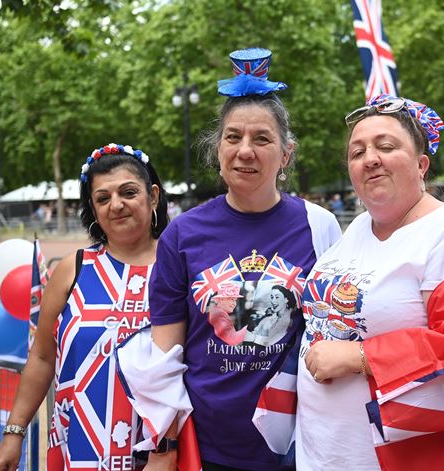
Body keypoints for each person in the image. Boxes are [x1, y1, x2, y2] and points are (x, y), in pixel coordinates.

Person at [117, 48, 341, 470]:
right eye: (233, 137)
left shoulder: (320, 225)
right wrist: (164, 447)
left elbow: (336, 333)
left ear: (285, 154)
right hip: (207, 446)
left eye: (262, 139)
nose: (245, 151)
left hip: (299, 443)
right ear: (217, 150)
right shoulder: (182, 235)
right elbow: (165, 357)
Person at [296, 93, 444, 470]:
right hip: (322, 453)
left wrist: (360, 357)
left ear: (422, 164)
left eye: (385, 146)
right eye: (356, 152)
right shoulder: (357, 228)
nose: (369, 158)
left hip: (398, 456)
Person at [0, 143, 169, 470]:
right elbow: (42, 356)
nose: (116, 205)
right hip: (79, 446)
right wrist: (13, 433)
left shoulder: (178, 267)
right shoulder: (73, 268)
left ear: (153, 196)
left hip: (159, 452)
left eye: (128, 192)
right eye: (103, 198)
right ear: (93, 208)